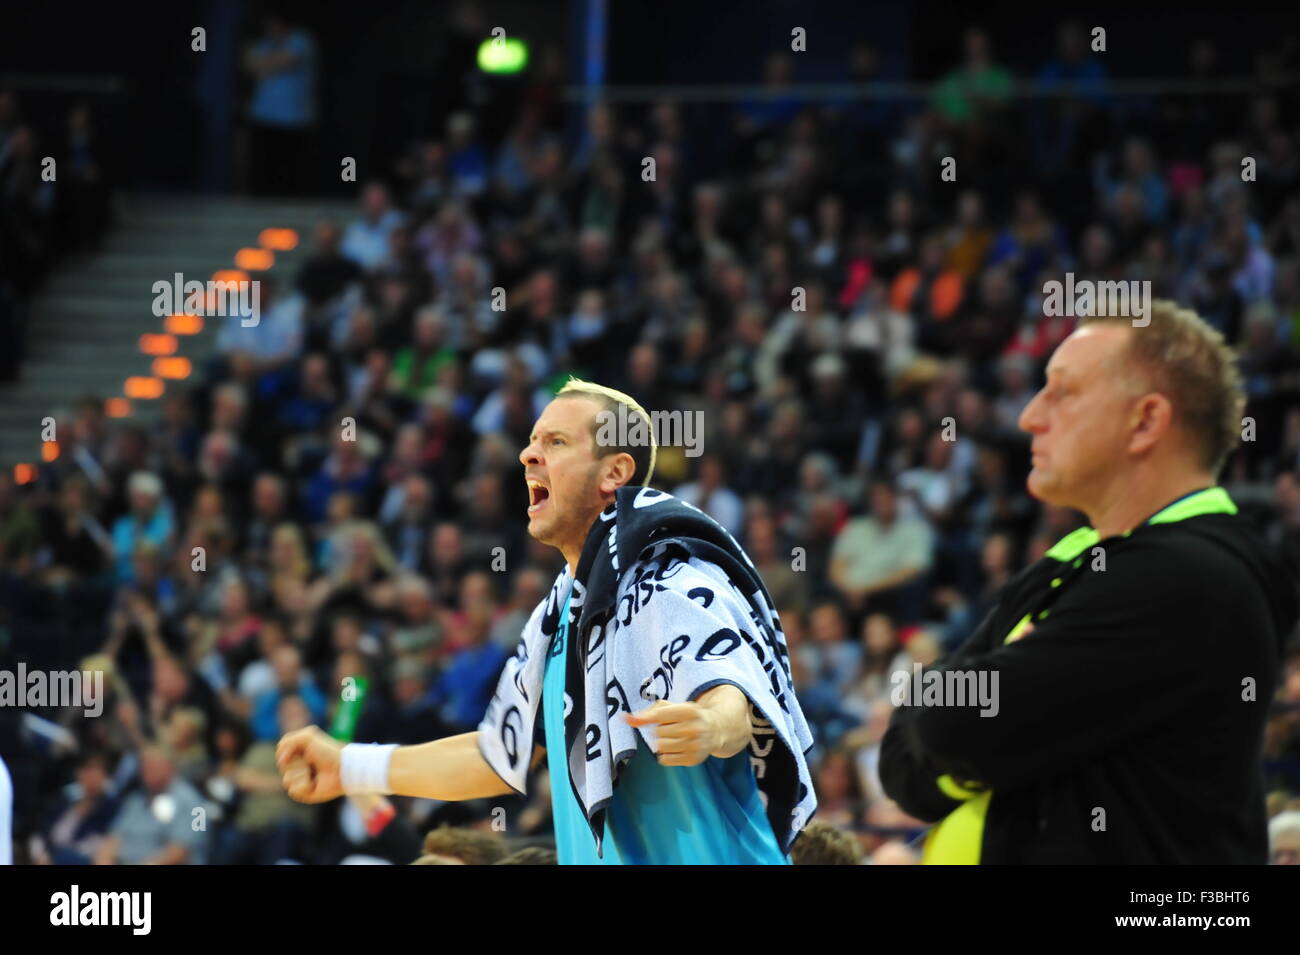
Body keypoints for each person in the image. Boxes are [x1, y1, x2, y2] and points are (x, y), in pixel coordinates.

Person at [278, 378, 815, 864]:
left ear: (615, 472)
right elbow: (495, 757)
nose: (527, 454)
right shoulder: (556, 617)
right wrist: (349, 766)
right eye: (533, 440)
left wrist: (710, 726)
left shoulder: (668, 578)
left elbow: (735, 696)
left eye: (556, 442)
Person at [880, 301, 1300, 863]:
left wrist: (958, 721)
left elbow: (948, 724)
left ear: (1146, 421)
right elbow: (904, 755)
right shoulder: (1082, 553)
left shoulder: (1195, 575)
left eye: (1063, 392)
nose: (1030, 415)